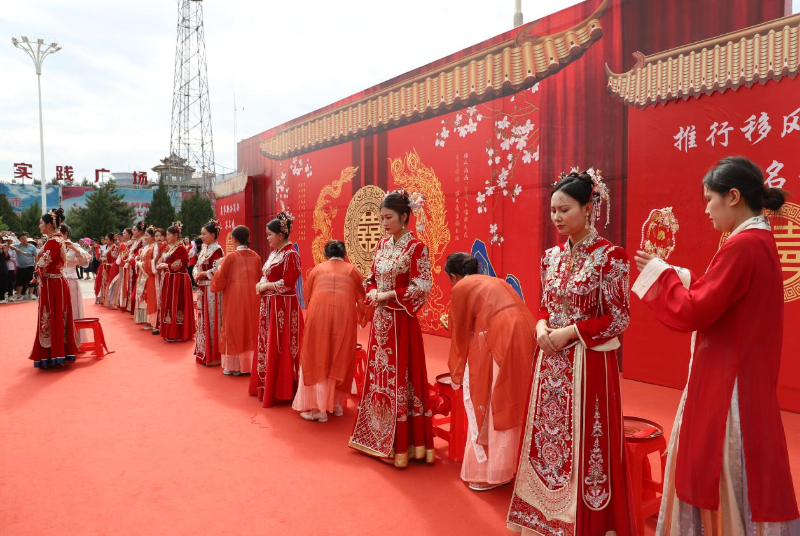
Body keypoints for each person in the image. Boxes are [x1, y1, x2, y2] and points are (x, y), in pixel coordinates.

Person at [633, 157, 800, 533]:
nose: (707, 209)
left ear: (734, 197)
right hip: (743, 375)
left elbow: (696, 309)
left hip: (729, 382)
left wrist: (660, 275)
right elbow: (718, 297)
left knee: (722, 469)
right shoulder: (758, 240)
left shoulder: (743, 245)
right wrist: (673, 273)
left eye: (710, 199)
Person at [507, 169, 635, 535]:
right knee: (547, 438)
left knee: (584, 441)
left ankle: (585, 521)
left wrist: (572, 332)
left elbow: (619, 317)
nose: (557, 218)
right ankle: (543, 516)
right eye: (553, 211)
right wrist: (540, 326)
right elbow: (545, 304)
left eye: (564, 210)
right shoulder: (551, 257)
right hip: (549, 364)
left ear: (588, 208)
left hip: (587, 365)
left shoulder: (611, 256)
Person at [348, 189, 435, 468]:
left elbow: (422, 286)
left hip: (401, 324)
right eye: (382, 218)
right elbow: (370, 277)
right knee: (379, 377)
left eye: (389, 218)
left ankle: (404, 444)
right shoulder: (382, 245)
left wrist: (387, 295)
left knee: (401, 377)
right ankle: (376, 434)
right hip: (381, 323)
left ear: (404, 216)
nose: (384, 223)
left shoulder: (417, 248)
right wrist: (372, 290)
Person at [444, 252, 535, 491]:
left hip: (502, 335)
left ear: (453, 276)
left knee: (494, 400)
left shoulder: (461, 287)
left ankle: (493, 471)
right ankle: (511, 466)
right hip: (526, 330)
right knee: (512, 397)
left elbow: (460, 330)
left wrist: (457, 367)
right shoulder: (495, 280)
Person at [292, 240, 366, 422]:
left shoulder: (317, 270)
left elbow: (307, 296)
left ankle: (319, 410)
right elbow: (364, 297)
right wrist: (362, 316)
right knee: (339, 356)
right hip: (344, 318)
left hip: (319, 318)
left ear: (325, 254)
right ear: (344, 254)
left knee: (319, 356)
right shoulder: (353, 271)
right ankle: (337, 404)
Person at [250, 212, 304, 407]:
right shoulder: (275, 253)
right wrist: (262, 283)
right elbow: (267, 273)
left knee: (280, 344)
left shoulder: (290, 254)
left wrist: (265, 286)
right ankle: (267, 384)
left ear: (280, 235)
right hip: (270, 305)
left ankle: (282, 388)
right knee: (268, 342)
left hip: (283, 307)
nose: (267, 238)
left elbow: (288, 283)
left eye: (269, 235)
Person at [29, 208, 79, 368]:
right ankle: (57, 353)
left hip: (53, 285)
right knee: (56, 316)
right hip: (55, 282)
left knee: (50, 316)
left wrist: (36, 273)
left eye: (41, 223)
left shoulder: (53, 242)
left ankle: (53, 355)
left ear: (49, 225)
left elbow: (43, 262)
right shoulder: (57, 240)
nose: (39, 226)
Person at [210, 225, 262, 375]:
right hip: (252, 298)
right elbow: (259, 277)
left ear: (234, 239)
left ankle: (234, 366)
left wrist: (218, 267)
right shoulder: (256, 256)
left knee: (234, 327)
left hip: (234, 297)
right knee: (249, 327)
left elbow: (220, 279)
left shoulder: (231, 257)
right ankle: (248, 365)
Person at [156, 222, 195, 342]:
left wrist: (165, 265)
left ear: (176, 235)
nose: (167, 237)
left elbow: (177, 265)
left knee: (177, 305)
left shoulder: (181, 248)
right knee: (170, 304)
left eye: (169, 234)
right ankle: (170, 331)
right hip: (171, 279)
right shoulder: (172, 247)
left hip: (178, 280)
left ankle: (177, 332)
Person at [193, 220, 224, 366]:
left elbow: (218, 270)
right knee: (202, 319)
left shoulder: (217, 250)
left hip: (211, 290)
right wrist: (196, 273)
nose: (202, 236)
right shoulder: (204, 249)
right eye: (201, 234)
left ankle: (213, 354)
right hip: (202, 288)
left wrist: (203, 274)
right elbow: (196, 265)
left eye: (204, 234)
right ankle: (204, 352)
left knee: (211, 320)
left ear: (213, 234)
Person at [60, 224, 91, 330]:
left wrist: (74, 249)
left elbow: (86, 261)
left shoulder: (75, 246)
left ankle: (73, 332)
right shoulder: (55, 245)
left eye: (59, 234)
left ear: (66, 234)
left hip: (71, 279)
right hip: (58, 280)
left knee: (72, 306)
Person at [134, 226, 157, 327]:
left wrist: (140, 264)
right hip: (142, 275)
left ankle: (150, 320)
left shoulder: (154, 248)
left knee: (148, 297)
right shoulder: (147, 247)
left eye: (147, 235)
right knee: (142, 296)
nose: (145, 238)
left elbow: (150, 263)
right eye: (145, 236)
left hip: (148, 275)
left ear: (153, 237)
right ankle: (144, 319)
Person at [10, 232, 38, 301]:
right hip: (20, 267)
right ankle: (19, 294)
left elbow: (35, 255)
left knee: (31, 281)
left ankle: (31, 294)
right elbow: (9, 245)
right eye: (22, 239)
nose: (24, 240)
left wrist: (36, 264)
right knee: (19, 281)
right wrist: (16, 249)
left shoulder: (32, 246)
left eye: (25, 238)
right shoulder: (17, 245)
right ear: (19, 240)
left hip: (30, 266)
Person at [125, 222, 146, 315]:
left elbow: (140, 253)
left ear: (141, 231)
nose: (133, 232)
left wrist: (133, 259)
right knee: (132, 284)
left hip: (137, 265)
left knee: (135, 284)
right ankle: (132, 308)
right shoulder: (136, 241)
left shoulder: (142, 240)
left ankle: (135, 308)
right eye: (133, 230)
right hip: (132, 265)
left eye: (135, 230)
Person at [151, 228, 168, 335]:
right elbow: (150, 261)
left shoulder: (167, 247)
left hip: (165, 275)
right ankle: (158, 323)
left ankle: (164, 323)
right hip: (156, 275)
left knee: (164, 299)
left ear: (165, 237)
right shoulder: (153, 248)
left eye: (161, 236)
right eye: (156, 236)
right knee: (157, 299)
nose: (159, 238)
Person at [100, 233, 121, 309]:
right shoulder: (109, 247)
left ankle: (112, 301)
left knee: (111, 283)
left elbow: (114, 259)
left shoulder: (114, 248)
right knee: (105, 282)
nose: (106, 241)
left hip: (111, 267)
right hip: (106, 267)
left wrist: (105, 259)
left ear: (112, 240)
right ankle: (105, 299)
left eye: (107, 239)